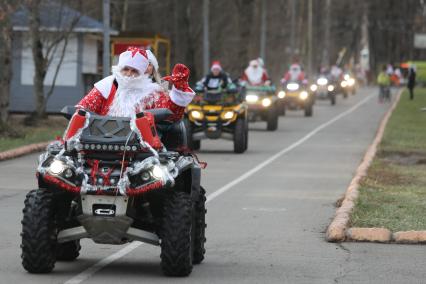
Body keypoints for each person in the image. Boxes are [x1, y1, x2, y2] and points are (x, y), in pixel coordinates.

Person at [77, 46, 195, 122]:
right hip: (102, 143)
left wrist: (179, 90)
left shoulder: (152, 93)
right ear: (119, 69)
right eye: (126, 69)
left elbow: (171, 115)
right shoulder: (106, 86)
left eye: (134, 71)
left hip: (139, 148)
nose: (129, 74)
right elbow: (83, 109)